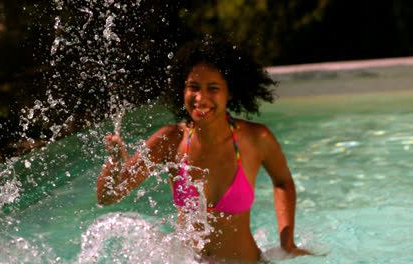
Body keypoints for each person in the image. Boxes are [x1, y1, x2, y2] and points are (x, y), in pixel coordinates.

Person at [97, 39, 310, 263]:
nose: (201, 98)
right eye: (193, 87)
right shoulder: (170, 140)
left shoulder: (256, 139)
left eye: (213, 88)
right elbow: (107, 197)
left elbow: (283, 183)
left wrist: (287, 242)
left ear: (230, 92)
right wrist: (115, 163)